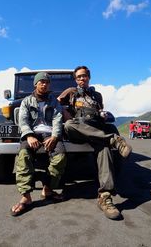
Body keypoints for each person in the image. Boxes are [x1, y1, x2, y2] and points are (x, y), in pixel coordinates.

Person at [58, 65, 132, 220]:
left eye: (83, 76)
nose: (81, 79)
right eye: (78, 77)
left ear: (88, 77)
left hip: (95, 130)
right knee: (69, 124)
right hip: (77, 129)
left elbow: (99, 110)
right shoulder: (70, 92)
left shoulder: (97, 95)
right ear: (75, 79)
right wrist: (65, 113)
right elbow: (56, 103)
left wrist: (102, 115)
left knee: (104, 149)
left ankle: (105, 197)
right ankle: (113, 139)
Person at [11, 72, 67, 216]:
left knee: (60, 156)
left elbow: (57, 118)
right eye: (41, 81)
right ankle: (26, 197)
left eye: (46, 82)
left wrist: (55, 136)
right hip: (32, 133)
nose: (44, 84)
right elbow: (23, 120)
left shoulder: (53, 101)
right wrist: (29, 135)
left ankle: (47, 188)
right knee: (23, 156)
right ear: (35, 84)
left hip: (50, 134)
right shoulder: (26, 101)